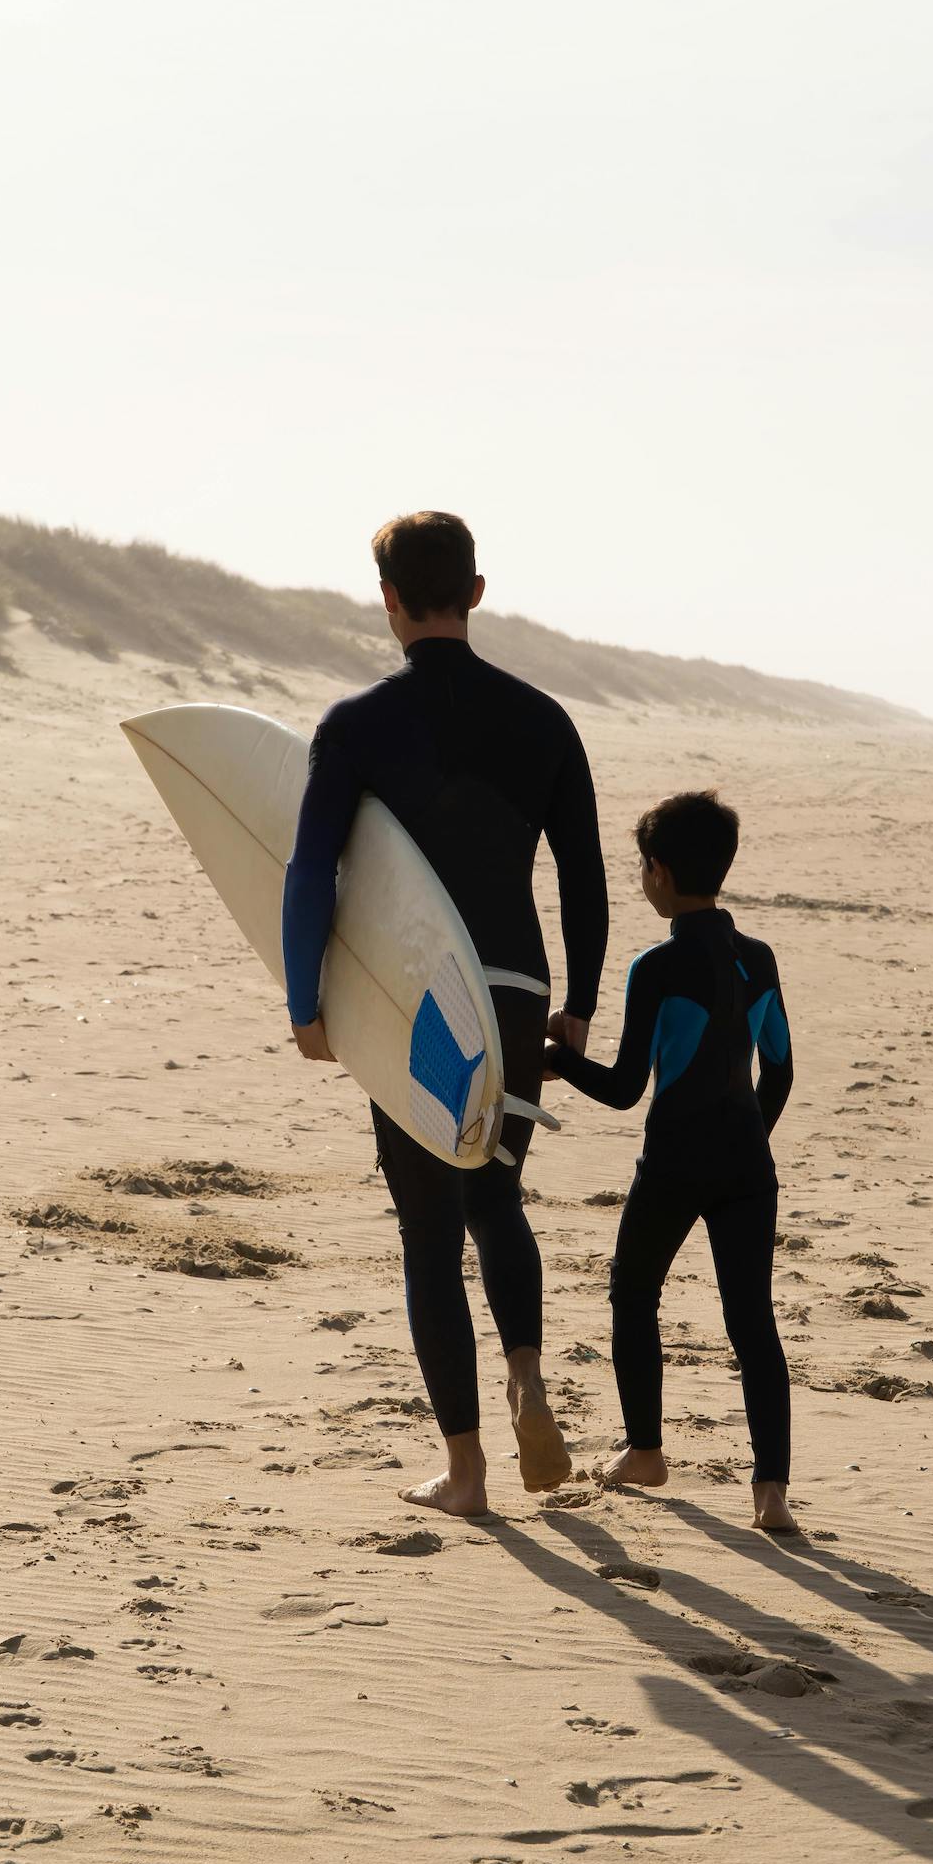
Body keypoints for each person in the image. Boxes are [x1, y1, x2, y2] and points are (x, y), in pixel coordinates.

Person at [282, 511, 609, 1517]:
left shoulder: (356, 726)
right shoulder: (544, 719)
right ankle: (523, 1370)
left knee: (427, 1232)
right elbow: (585, 877)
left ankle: (466, 1473)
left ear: (386, 599)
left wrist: (306, 999)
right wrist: (580, 1004)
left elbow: (311, 871)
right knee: (496, 1200)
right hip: (512, 990)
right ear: (475, 591)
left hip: (414, 994)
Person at [543, 790, 797, 1532]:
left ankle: (644, 1452)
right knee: (753, 1325)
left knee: (632, 1295)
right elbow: (777, 1070)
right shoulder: (758, 958)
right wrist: (748, 1136)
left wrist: (554, 1058)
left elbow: (623, 1090)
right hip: (747, 1166)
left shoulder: (654, 966)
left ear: (656, 871)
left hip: (672, 1165)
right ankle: (771, 1494)